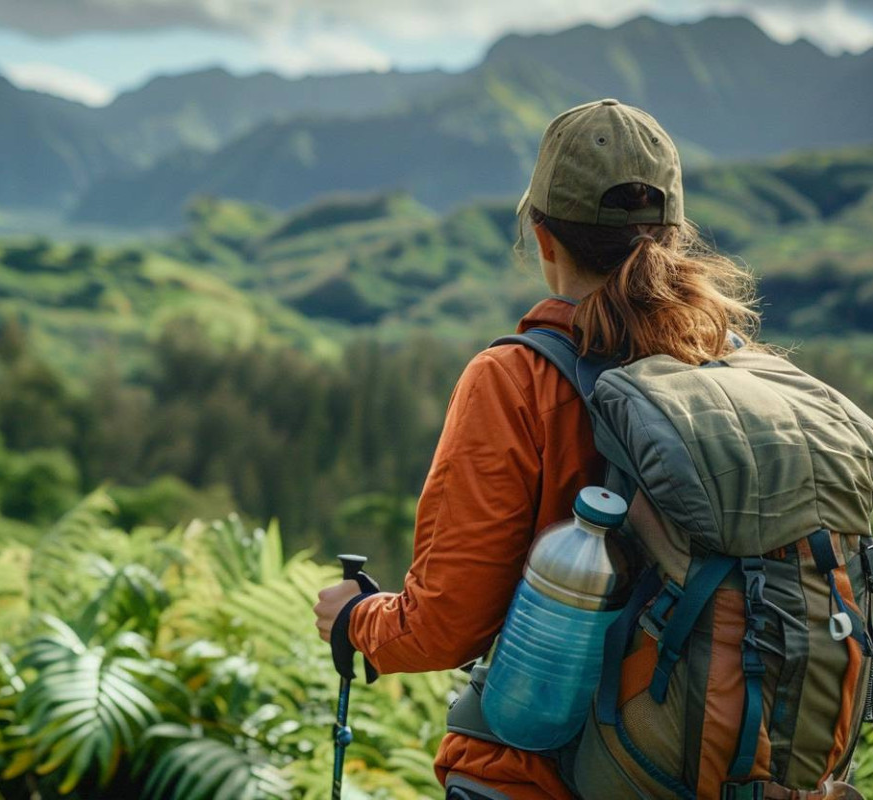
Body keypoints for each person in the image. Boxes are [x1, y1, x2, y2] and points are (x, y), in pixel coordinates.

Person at [312, 99, 765, 800]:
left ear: (543, 235)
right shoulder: (736, 369)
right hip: (723, 765)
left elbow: (445, 627)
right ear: (674, 236)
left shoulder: (516, 380)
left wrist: (355, 620)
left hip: (545, 776)